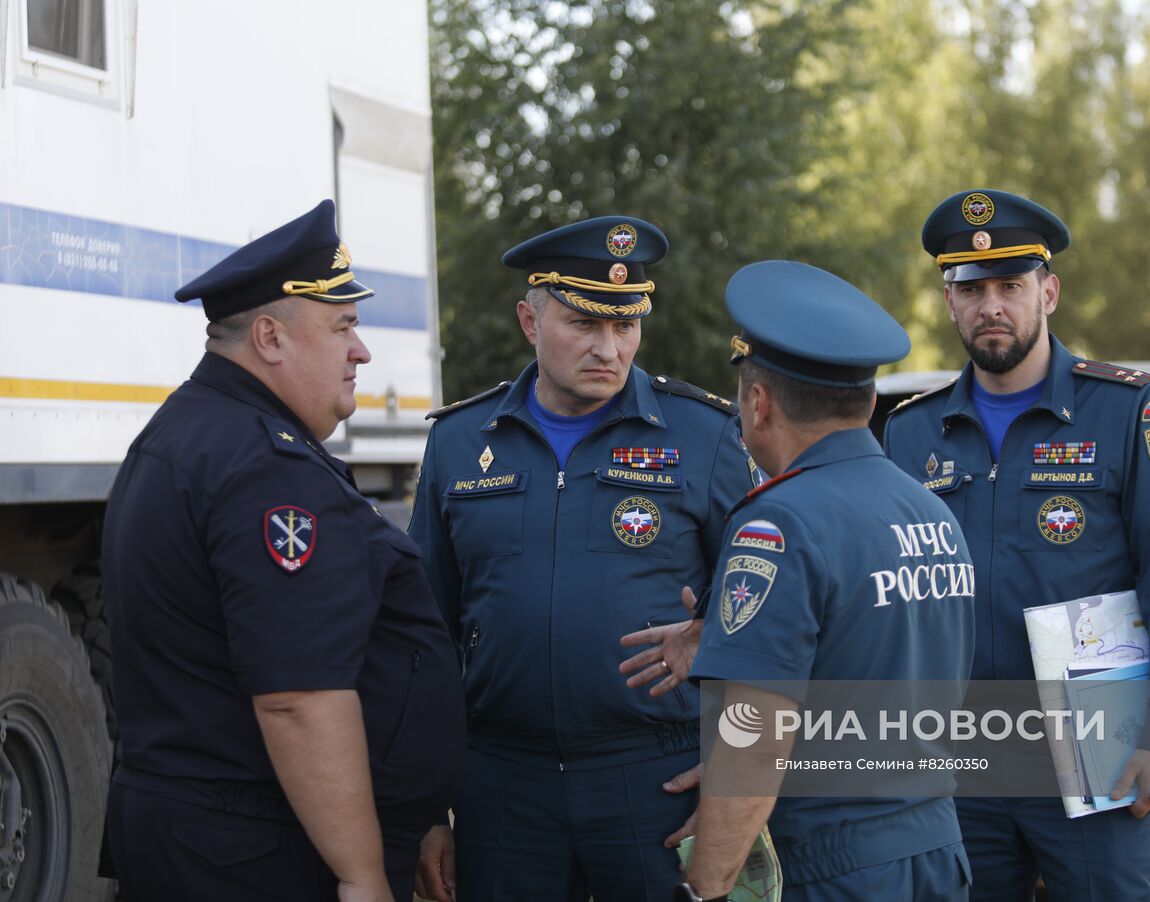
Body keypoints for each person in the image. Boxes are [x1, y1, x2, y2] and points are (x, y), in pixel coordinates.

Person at [101, 199, 467, 902]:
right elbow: (298, 699)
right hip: (259, 852)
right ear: (270, 337)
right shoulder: (266, 468)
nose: (360, 351)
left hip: (201, 835)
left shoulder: (187, 433)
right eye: (343, 327)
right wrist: (362, 876)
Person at [408, 215, 756, 902]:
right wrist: (422, 808)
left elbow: (769, 614)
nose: (609, 348)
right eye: (583, 324)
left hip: (654, 776)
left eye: (625, 326)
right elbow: (423, 637)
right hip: (502, 782)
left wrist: (733, 784)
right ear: (529, 322)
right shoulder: (458, 443)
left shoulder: (705, 435)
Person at [882, 189, 1150, 901]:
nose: (991, 306)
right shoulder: (912, 432)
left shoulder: (1124, 410)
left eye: (1010, 286)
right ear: (949, 300)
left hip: (1102, 744)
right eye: (972, 290)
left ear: (1049, 292)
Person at [678, 260, 976, 902]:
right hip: (935, 849)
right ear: (868, 400)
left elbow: (754, 741)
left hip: (834, 866)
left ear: (758, 404)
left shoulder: (778, 524)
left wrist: (704, 888)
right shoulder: (933, 511)